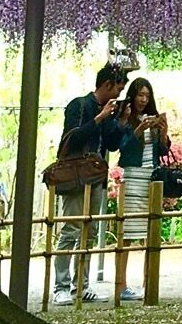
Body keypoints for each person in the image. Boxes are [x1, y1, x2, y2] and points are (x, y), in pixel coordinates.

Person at [52, 62, 127, 303]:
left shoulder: (108, 110)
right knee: (71, 229)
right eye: (118, 88)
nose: (119, 94)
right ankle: (60, 287)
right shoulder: (80, 105)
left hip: (97, 177)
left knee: (90, 231)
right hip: (75, 175)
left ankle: (81, 286)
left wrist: (121, 122)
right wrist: (99, 118)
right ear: (107, 84)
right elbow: (72, 138)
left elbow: (113, 144)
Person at [112, 78, 171, 302]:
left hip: (151, 178)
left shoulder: (152, 118)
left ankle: (149, 282)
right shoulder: (125, 117)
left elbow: (164, 151)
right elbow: (122, 148)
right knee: (126, 234)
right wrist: (137, 130)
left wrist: (163, 132)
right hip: (133, 177)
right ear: (133, 95)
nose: (143, 99)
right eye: (139, 95)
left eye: (146, 96)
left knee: (150, 233)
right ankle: (121, 285)